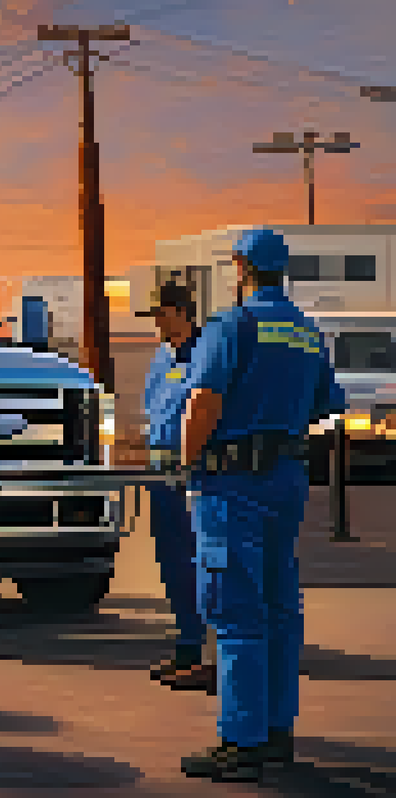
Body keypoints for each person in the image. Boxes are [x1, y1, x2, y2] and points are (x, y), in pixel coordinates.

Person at [178, 227, 346, 782]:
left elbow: (204, 399)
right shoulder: (306, 332)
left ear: (242, 268)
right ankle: (277, 731)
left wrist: (186, 461)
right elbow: (327, 405)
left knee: (235, 610)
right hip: (286, 479)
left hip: (233, 484)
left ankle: (242, 741)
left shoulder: (234, 323)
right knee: (278, 608)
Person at [135, 282, 212, 692]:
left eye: (163, 315)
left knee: (198, 556)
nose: (159, 324)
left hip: (192, 469)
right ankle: (186, 641)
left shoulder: (204, 355)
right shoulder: (161, 358)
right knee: (170, 557)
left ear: (182, 312)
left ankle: (203, 647)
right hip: (160, 467)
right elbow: (153, 408)